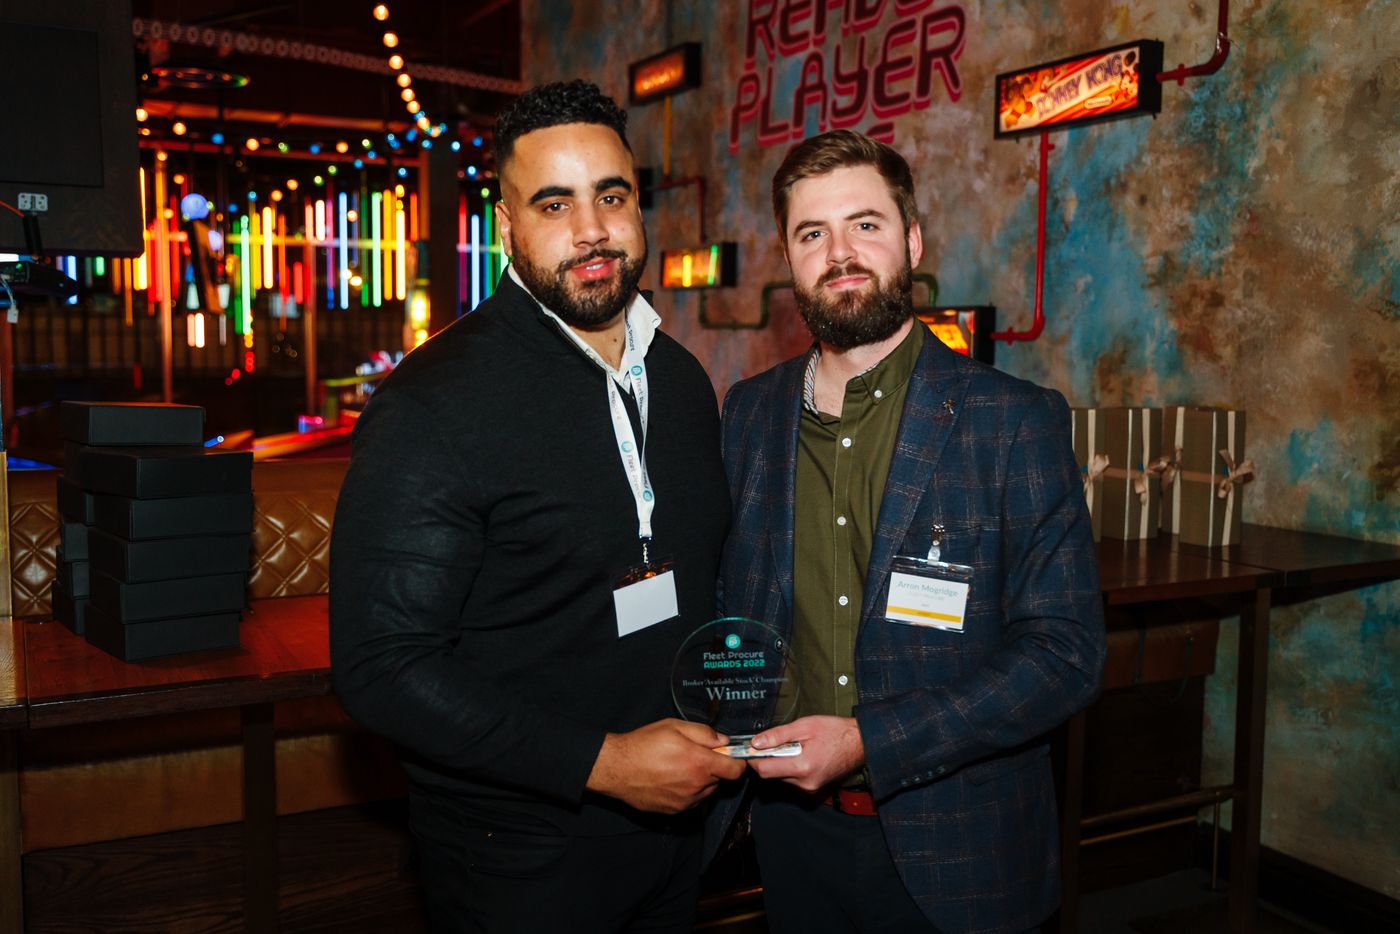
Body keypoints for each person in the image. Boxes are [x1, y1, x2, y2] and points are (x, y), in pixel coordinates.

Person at [330, 79, 744, 934]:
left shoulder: (681, 380)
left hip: (679, 834)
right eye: (555, 204)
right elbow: (383, 668)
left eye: (611, 197)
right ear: (507, 224)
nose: (591, 229)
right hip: (517, 856)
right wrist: (607, 764)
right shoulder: (434, 404)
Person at [708, 129, 1106, 934]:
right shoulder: (748, 414)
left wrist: (870, 742)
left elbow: (1064, 656)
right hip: (790, 839)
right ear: (789, 259)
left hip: (962, 847)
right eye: (812, 234)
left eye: (866, 224)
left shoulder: (1014, 421)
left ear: (913, 242)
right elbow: (731, 607)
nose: (840, 254)